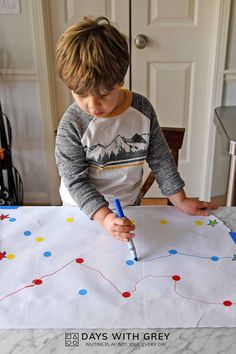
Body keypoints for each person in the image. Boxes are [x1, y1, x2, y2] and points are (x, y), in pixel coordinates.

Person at [55, 16, 216, 242]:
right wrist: (105, 217)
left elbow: (160, 158)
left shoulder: (141, 109)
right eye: (81, 95)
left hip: (128, 208)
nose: (92, 105)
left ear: (120, 80)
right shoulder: (72, 124)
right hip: (81, 213)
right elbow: (75, 181)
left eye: (102, 94)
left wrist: (180, 200)